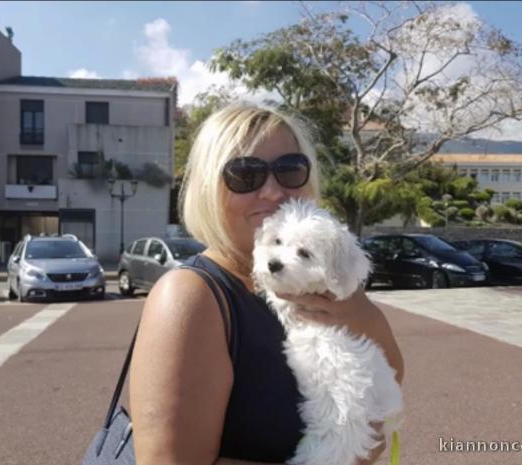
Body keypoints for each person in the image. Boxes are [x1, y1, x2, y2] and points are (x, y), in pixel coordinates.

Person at [129, 103, 404, 465]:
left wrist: (364, 315)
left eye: (290, 170)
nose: (273, 192)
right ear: (208, 188)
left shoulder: (320, 282)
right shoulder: (188, 298)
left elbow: (389, 378)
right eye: (245, 174)